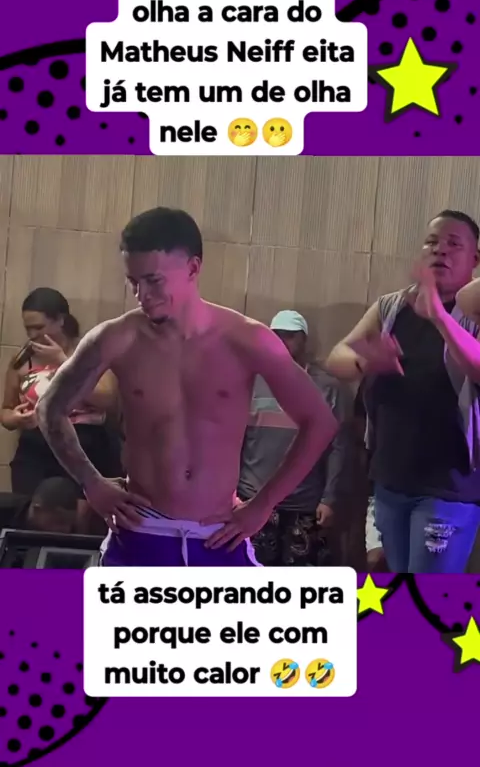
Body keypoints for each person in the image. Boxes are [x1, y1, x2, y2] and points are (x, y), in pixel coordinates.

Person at [36, 207, 338, 568]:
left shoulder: (248, 340)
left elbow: (320, 421)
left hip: (219, 532)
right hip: (141, 527)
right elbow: (49, 408)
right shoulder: (116, 339)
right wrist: (91, 482)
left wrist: (264, 503)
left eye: (154, 280)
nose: (141, 295)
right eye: (133, 281)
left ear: (193, 268)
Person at [325, 210, 480, 573]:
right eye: (432, 242)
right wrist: (366, 362)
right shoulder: (393, 306)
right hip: (391, 478)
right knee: (397, 587)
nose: (440, 250)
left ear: (475, 259)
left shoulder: (475, 312)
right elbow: (336, 358)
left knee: (427, 595)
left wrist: (439, 315)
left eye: (453, 244)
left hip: (448, 485)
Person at [238, 310, 353, 566]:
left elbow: (339, 448)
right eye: (276, 335)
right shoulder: (251, 382)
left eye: (290, 336)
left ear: (303, 340)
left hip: (304, 503)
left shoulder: (328, 388)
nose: (282, 342)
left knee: (300, 577)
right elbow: (234, 439)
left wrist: (329, 499)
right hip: (253, 498)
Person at [0, 287, 123, 496]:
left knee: (78, 510)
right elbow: (6, 411)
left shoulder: (89, 352)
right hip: (37, 445)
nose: (32, 335)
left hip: (86, 443)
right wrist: (15, 418)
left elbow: (107, 400)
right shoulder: (21, 360)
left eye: (38, 327)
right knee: (32, 507)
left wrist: (63, 363)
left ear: (60, 321)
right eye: (28, 328)